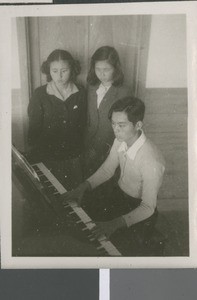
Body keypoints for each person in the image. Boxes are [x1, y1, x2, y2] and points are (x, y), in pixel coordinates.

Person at [62, 96, 165, 254]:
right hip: (119, 197)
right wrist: (82, 187)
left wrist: (114, 224)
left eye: (121, 125)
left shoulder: (151, 160)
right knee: (83, 226)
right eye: (113, 123)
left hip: (139, 210)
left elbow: (148, 207)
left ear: (138, 125)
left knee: (112, 246)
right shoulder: (121, 139)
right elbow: (107, 170)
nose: (115, 129)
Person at [27, 49, 87, 190]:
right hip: (47, 157)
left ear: (72, 69)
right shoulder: (40, 94)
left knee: (72, 195)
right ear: (49, 71)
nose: (59, 76)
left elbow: (83, 125)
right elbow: (34, 128)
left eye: (64, 70)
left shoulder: (80, 92)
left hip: (73, 158)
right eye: (54, 71)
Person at [84, 46, 131, 176]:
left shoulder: (124, 91)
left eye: (106, 69)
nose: (101, 74)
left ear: (116, 69)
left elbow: (124, 125)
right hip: (88, 146)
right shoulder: (91, 87)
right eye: (98, 69)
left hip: (110, 148)